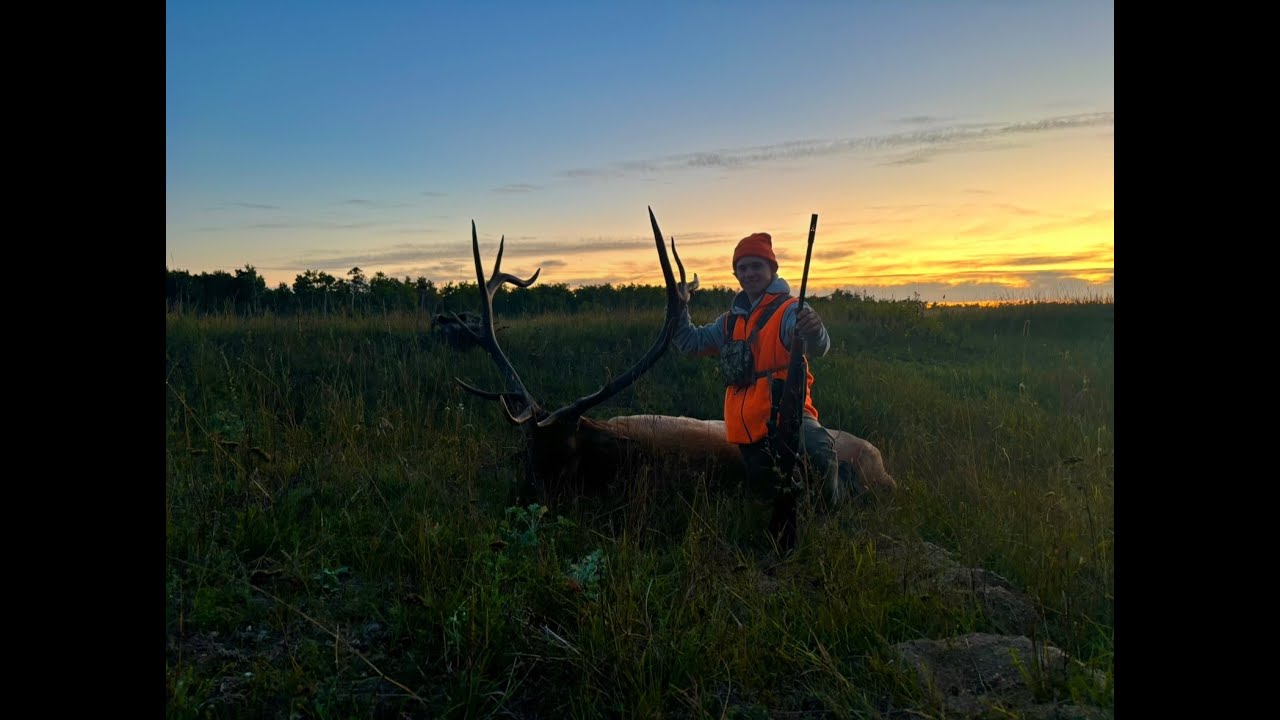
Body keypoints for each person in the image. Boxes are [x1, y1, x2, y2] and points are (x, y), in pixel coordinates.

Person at [672, 231, 848, 522]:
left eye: (757, 266)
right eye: (743, 268)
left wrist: (814, 330)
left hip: (787, 414)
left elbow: (819, 346)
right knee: (768, 501)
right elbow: (690, 343)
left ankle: (832, 512)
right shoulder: (729, 322)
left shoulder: (791, 310)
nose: (749, 273)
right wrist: (678, 308)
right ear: (736, 274)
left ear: (772, 270)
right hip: (747, 425)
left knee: (820, 451)